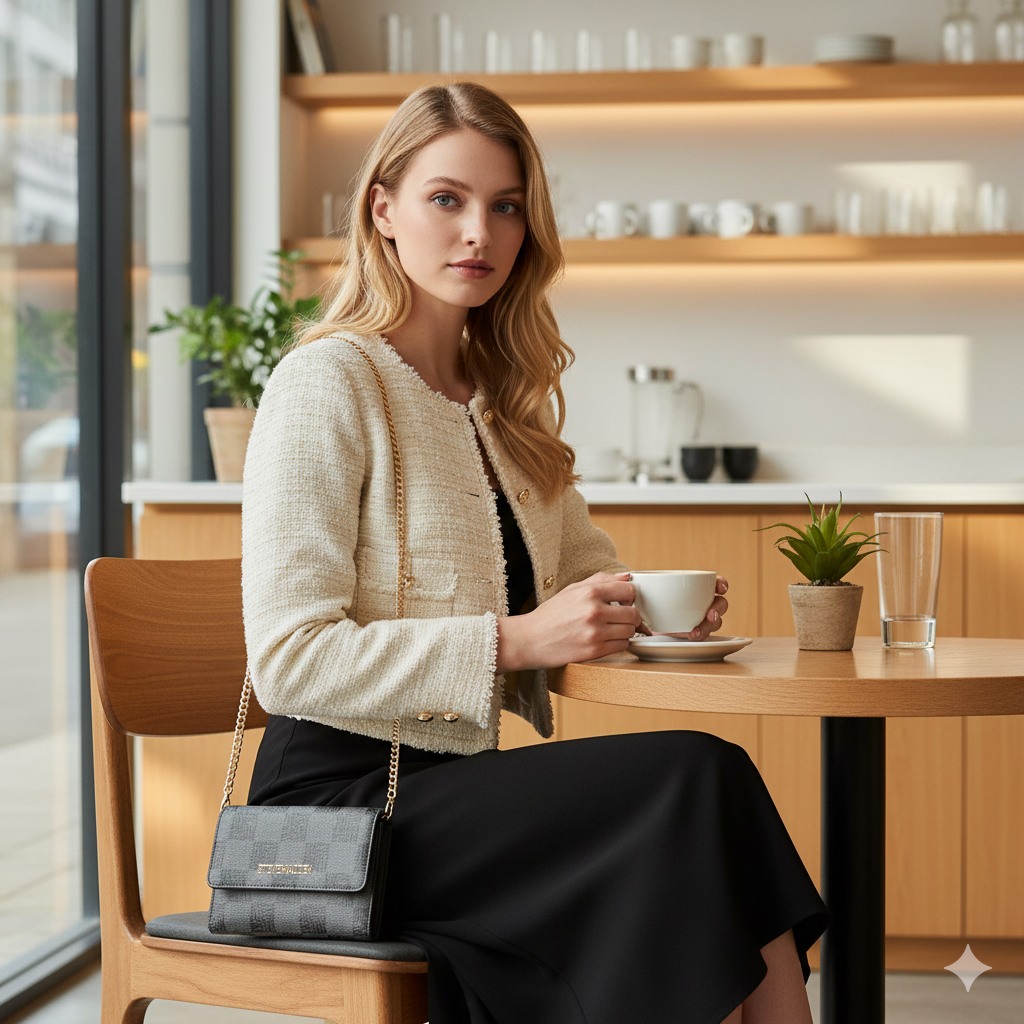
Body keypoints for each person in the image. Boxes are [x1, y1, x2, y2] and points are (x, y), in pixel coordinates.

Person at [242, 81, 827, 1024]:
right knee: (697, 779)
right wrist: (514, 642)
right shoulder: (327, 383)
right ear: (383, 210)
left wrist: (651, 613)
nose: (479, 230)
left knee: (705, 798)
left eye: (505, 206)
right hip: (342, 811)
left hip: (457, 797)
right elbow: (287, 659)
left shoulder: (503, 413)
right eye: (448, 199)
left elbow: (586, 587)